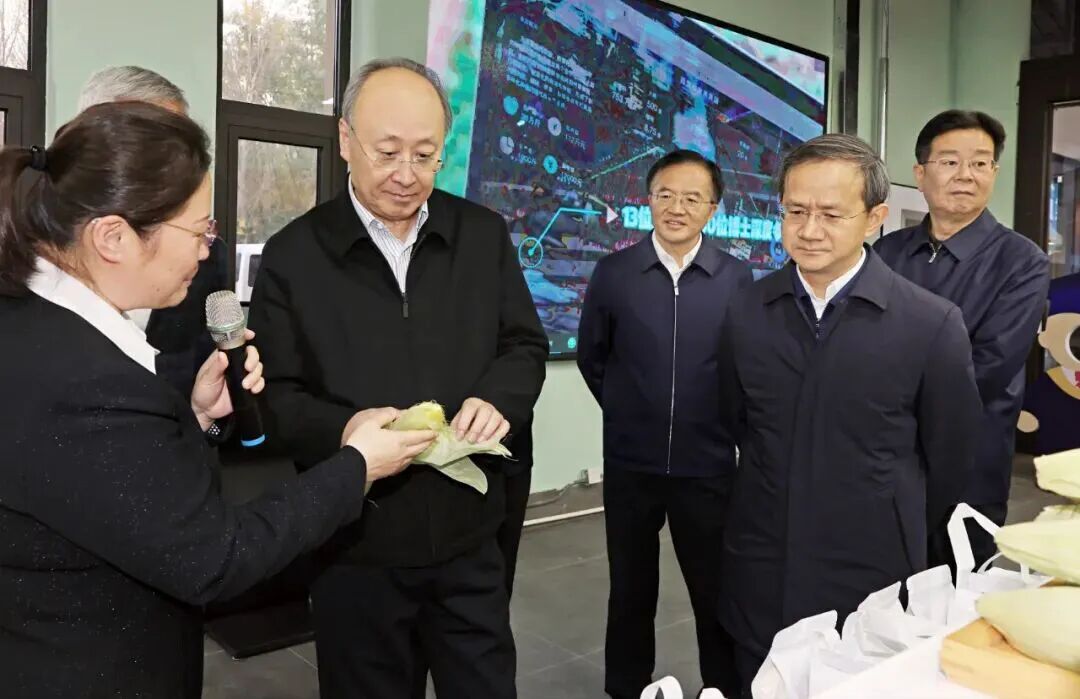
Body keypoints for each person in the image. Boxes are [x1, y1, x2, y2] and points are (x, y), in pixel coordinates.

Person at [0, 102, 435, 698]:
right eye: (199, 231)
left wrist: (198, 415)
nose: (207, 251)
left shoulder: (36, 323)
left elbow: (133, 498)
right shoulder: (81, 381)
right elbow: (213, 558)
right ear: (113, 237)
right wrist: (357, 466)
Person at [248, 57, 548, 699]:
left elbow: (524, 344)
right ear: (345, 139)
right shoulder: (294, 256)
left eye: (425, 155)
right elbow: (277, 396)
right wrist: (345, 429)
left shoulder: (482, 236)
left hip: (470, 540)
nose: (406, 175)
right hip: (354, 549)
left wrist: (498, 398)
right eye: (387, 153)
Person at [717, 134, 982, 691]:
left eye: (831, 214)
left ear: (874, 219)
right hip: (762, 561)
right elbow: (736, 421)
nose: (810, 230)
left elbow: (952, 462)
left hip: (870, 574)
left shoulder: (929, 323)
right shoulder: (746, 310)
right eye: (796, 211)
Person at [577, 149, 749, 699]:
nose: (677, 207)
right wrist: (628, 409)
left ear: (713, 209)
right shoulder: (615, 273)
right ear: (648, 200)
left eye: (693, 198)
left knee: (714, 587)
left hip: (708, 463)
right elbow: (592, 357)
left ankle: (722, 686)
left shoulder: (736, 278)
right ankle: (627, 687)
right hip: (632, 463)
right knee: (630, 587)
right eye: (666, 195)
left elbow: (745, 366)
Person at [874, 110, 1050, 567]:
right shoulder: (886, 253)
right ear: (921, 173)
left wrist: (884, 397)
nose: (966, 175)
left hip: (969, 459)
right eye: (950, 162)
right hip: (883, 457)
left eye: (980, 163)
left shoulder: (1022, 262)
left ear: (994, 172)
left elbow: (989, 366)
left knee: (957, 584)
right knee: (881, 582)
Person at [78, 65, 230, 400]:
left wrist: (204, 418)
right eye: (152, 144)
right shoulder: (28, 264)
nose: (175, 166)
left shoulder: (205, 256)